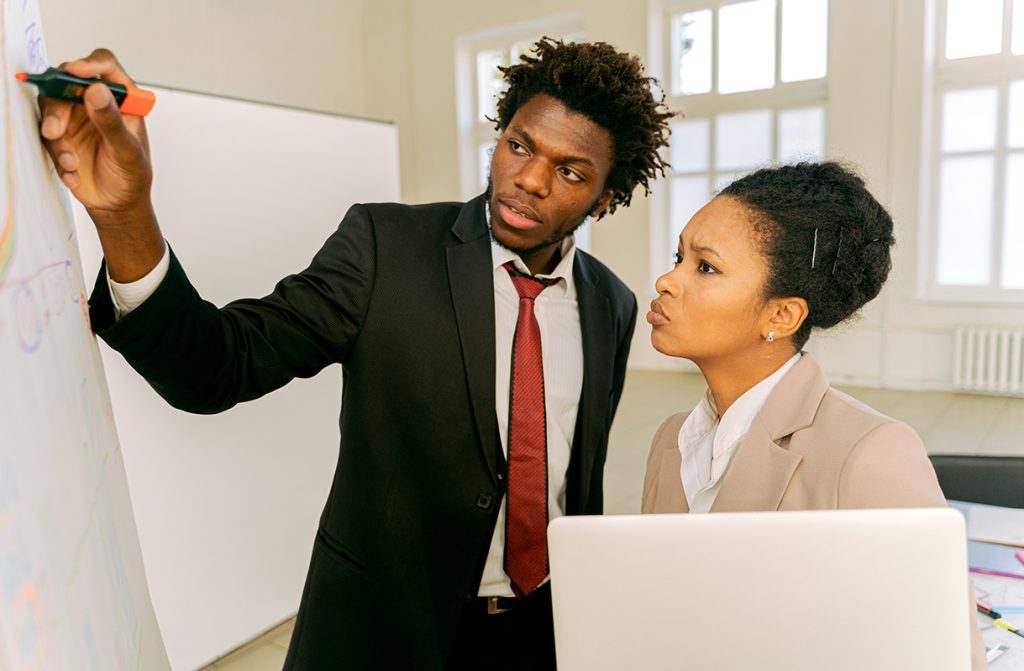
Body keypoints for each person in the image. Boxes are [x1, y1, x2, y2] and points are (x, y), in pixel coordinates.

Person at [36, 38, 673, 669]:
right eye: (519, 145)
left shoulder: (610, 306)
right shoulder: (384, 248)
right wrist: (126, 217)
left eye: (569, 171)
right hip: (382, 634)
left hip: (539, 634)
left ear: (607, 196)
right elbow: (214, 367)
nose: (529, 179)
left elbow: (572, 482)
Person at [640, 161, 988, 670]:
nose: (666, 280)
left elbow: (948, 657)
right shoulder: (670, 440)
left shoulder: (873, 455)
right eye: (678, 256)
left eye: (705, 267)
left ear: (781, 316)